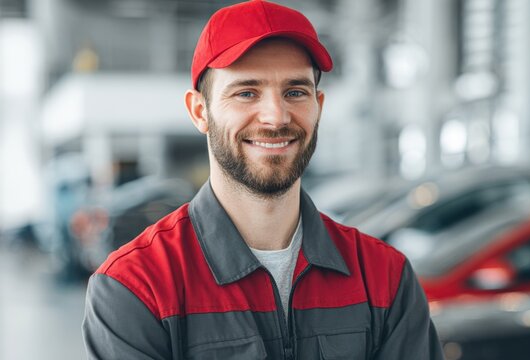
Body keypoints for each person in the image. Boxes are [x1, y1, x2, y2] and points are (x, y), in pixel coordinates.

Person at [82, 1, 444, 359]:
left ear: (319, 105)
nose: (276, 116)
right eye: (246, 92)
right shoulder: (136, 286)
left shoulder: (384, 278)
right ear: (199, 111)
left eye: (295, 92)